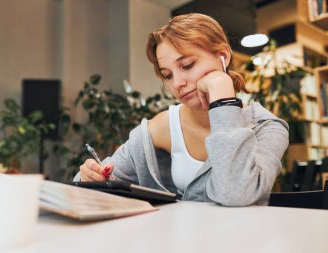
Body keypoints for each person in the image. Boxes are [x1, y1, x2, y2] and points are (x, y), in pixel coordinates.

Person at [75, 13, 289, 206]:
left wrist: (222, 97)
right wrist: (90, 177)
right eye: (167, 75)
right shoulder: (162, 126)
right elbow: (83, 184)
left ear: (222, 56)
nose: (177, 83)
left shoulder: (267, 127)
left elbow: (236, 194)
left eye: (187, 65)